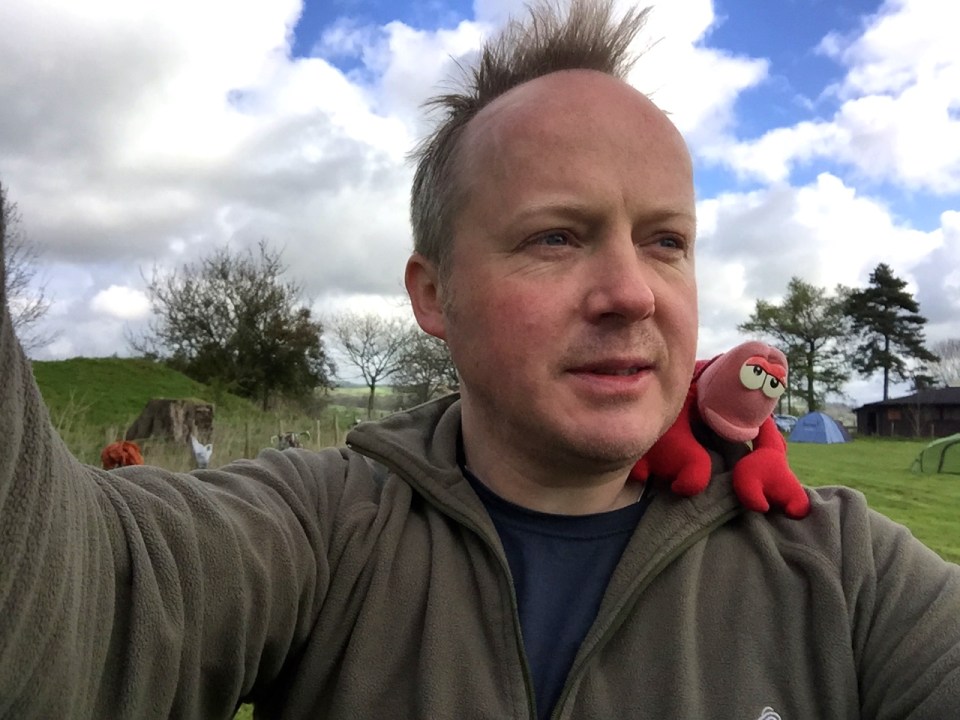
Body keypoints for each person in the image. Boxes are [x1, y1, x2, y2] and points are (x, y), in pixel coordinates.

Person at [2, 0, 959, 718]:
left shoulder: (846, 572)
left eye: (666, 241)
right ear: (433, 296)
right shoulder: (325, 530)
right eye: (556, 236)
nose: (633, 293)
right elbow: (71, 616)